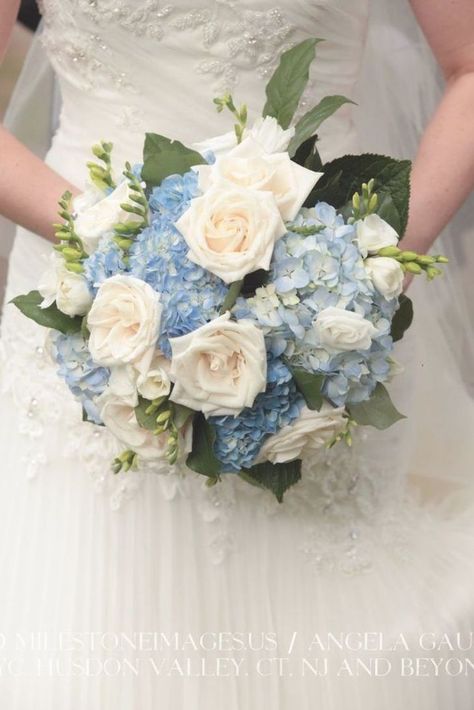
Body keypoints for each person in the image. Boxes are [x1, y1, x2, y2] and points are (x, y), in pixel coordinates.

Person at [0, 0, 473, 707]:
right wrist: (114, 250)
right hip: (90, 295)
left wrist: (368, 272)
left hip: (318, 295)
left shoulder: (339, 285)